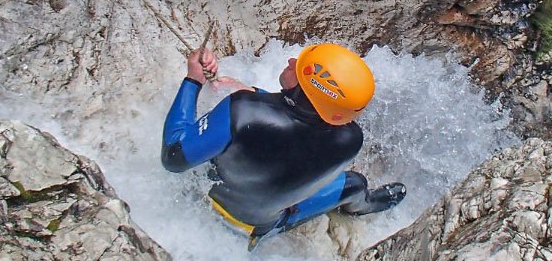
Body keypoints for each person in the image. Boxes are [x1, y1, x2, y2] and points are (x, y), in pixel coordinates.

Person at [161, 43, 407, 251]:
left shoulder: (241, 111)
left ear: (302, 89)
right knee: (355, 184)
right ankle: (367, 205)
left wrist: (193, 80)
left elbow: (173, 158)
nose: (290, 61)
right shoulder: (351, 140)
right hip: (263, 225)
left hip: (206, 200)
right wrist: (253, 93)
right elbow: (299, 123)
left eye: (297, 67)